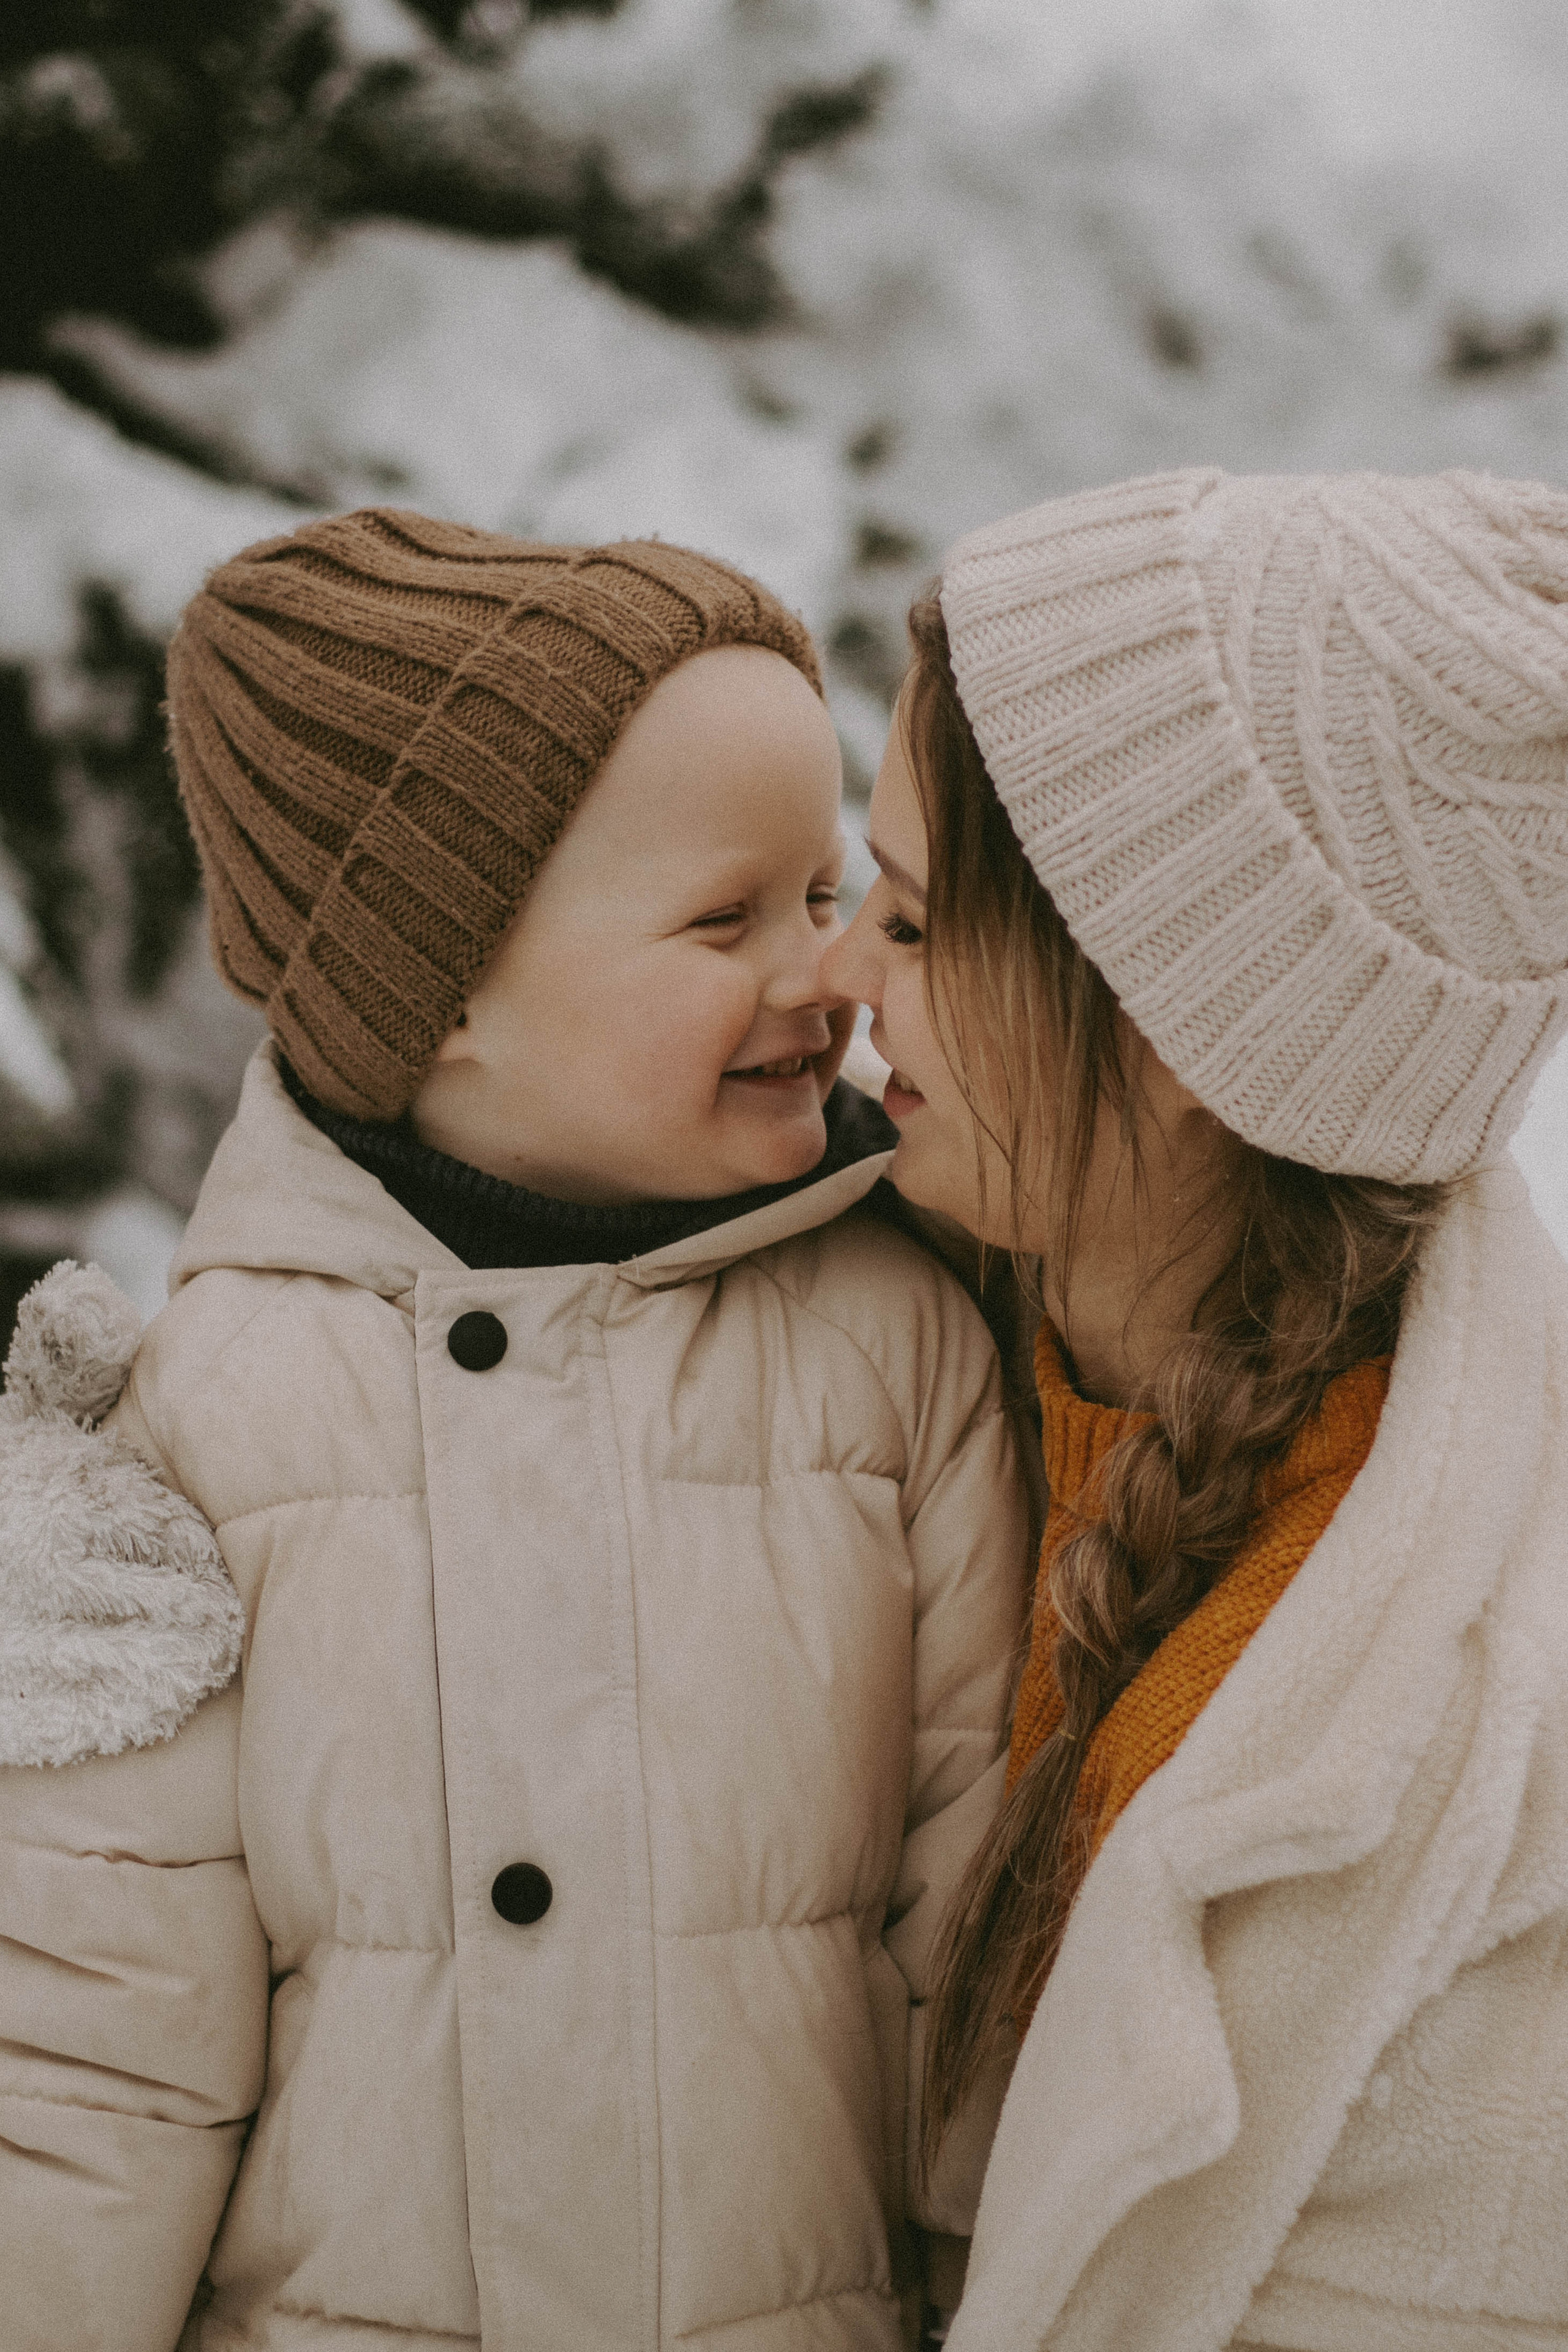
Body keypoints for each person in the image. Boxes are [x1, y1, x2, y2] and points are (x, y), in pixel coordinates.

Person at [0, 511, 1028, 2351]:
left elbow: (980, 1941)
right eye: (726, 918)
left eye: (826, 891)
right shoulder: (207, 1416)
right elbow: (88, 2057)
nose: (823, 972)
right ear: (442, 992)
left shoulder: (900, 1351)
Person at [821, 467, 1568, 2352]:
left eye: (908, 926)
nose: (837, 979)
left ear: (1172, 1033)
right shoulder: (854, 1343)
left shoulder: (1483, 1801)